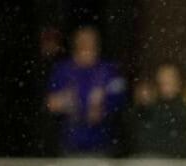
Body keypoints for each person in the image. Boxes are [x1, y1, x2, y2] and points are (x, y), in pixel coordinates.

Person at [46, 27, 127, 156]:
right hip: (70, 143)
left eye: (90, 44)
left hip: (101, 144)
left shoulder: (108, 70)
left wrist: (103, 104)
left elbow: (119, 100)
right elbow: (52, 104)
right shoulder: (63, 70)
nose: (86, 48)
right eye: (83, 44)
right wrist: (70, 101)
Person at [126, 63, 186, 157]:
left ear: (178, 82)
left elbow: (177, 141)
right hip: (149, 158)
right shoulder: (148, 108)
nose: (165, 83)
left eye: (169, 79)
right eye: (162, 80)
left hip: (174, 159)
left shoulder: (183, 107)